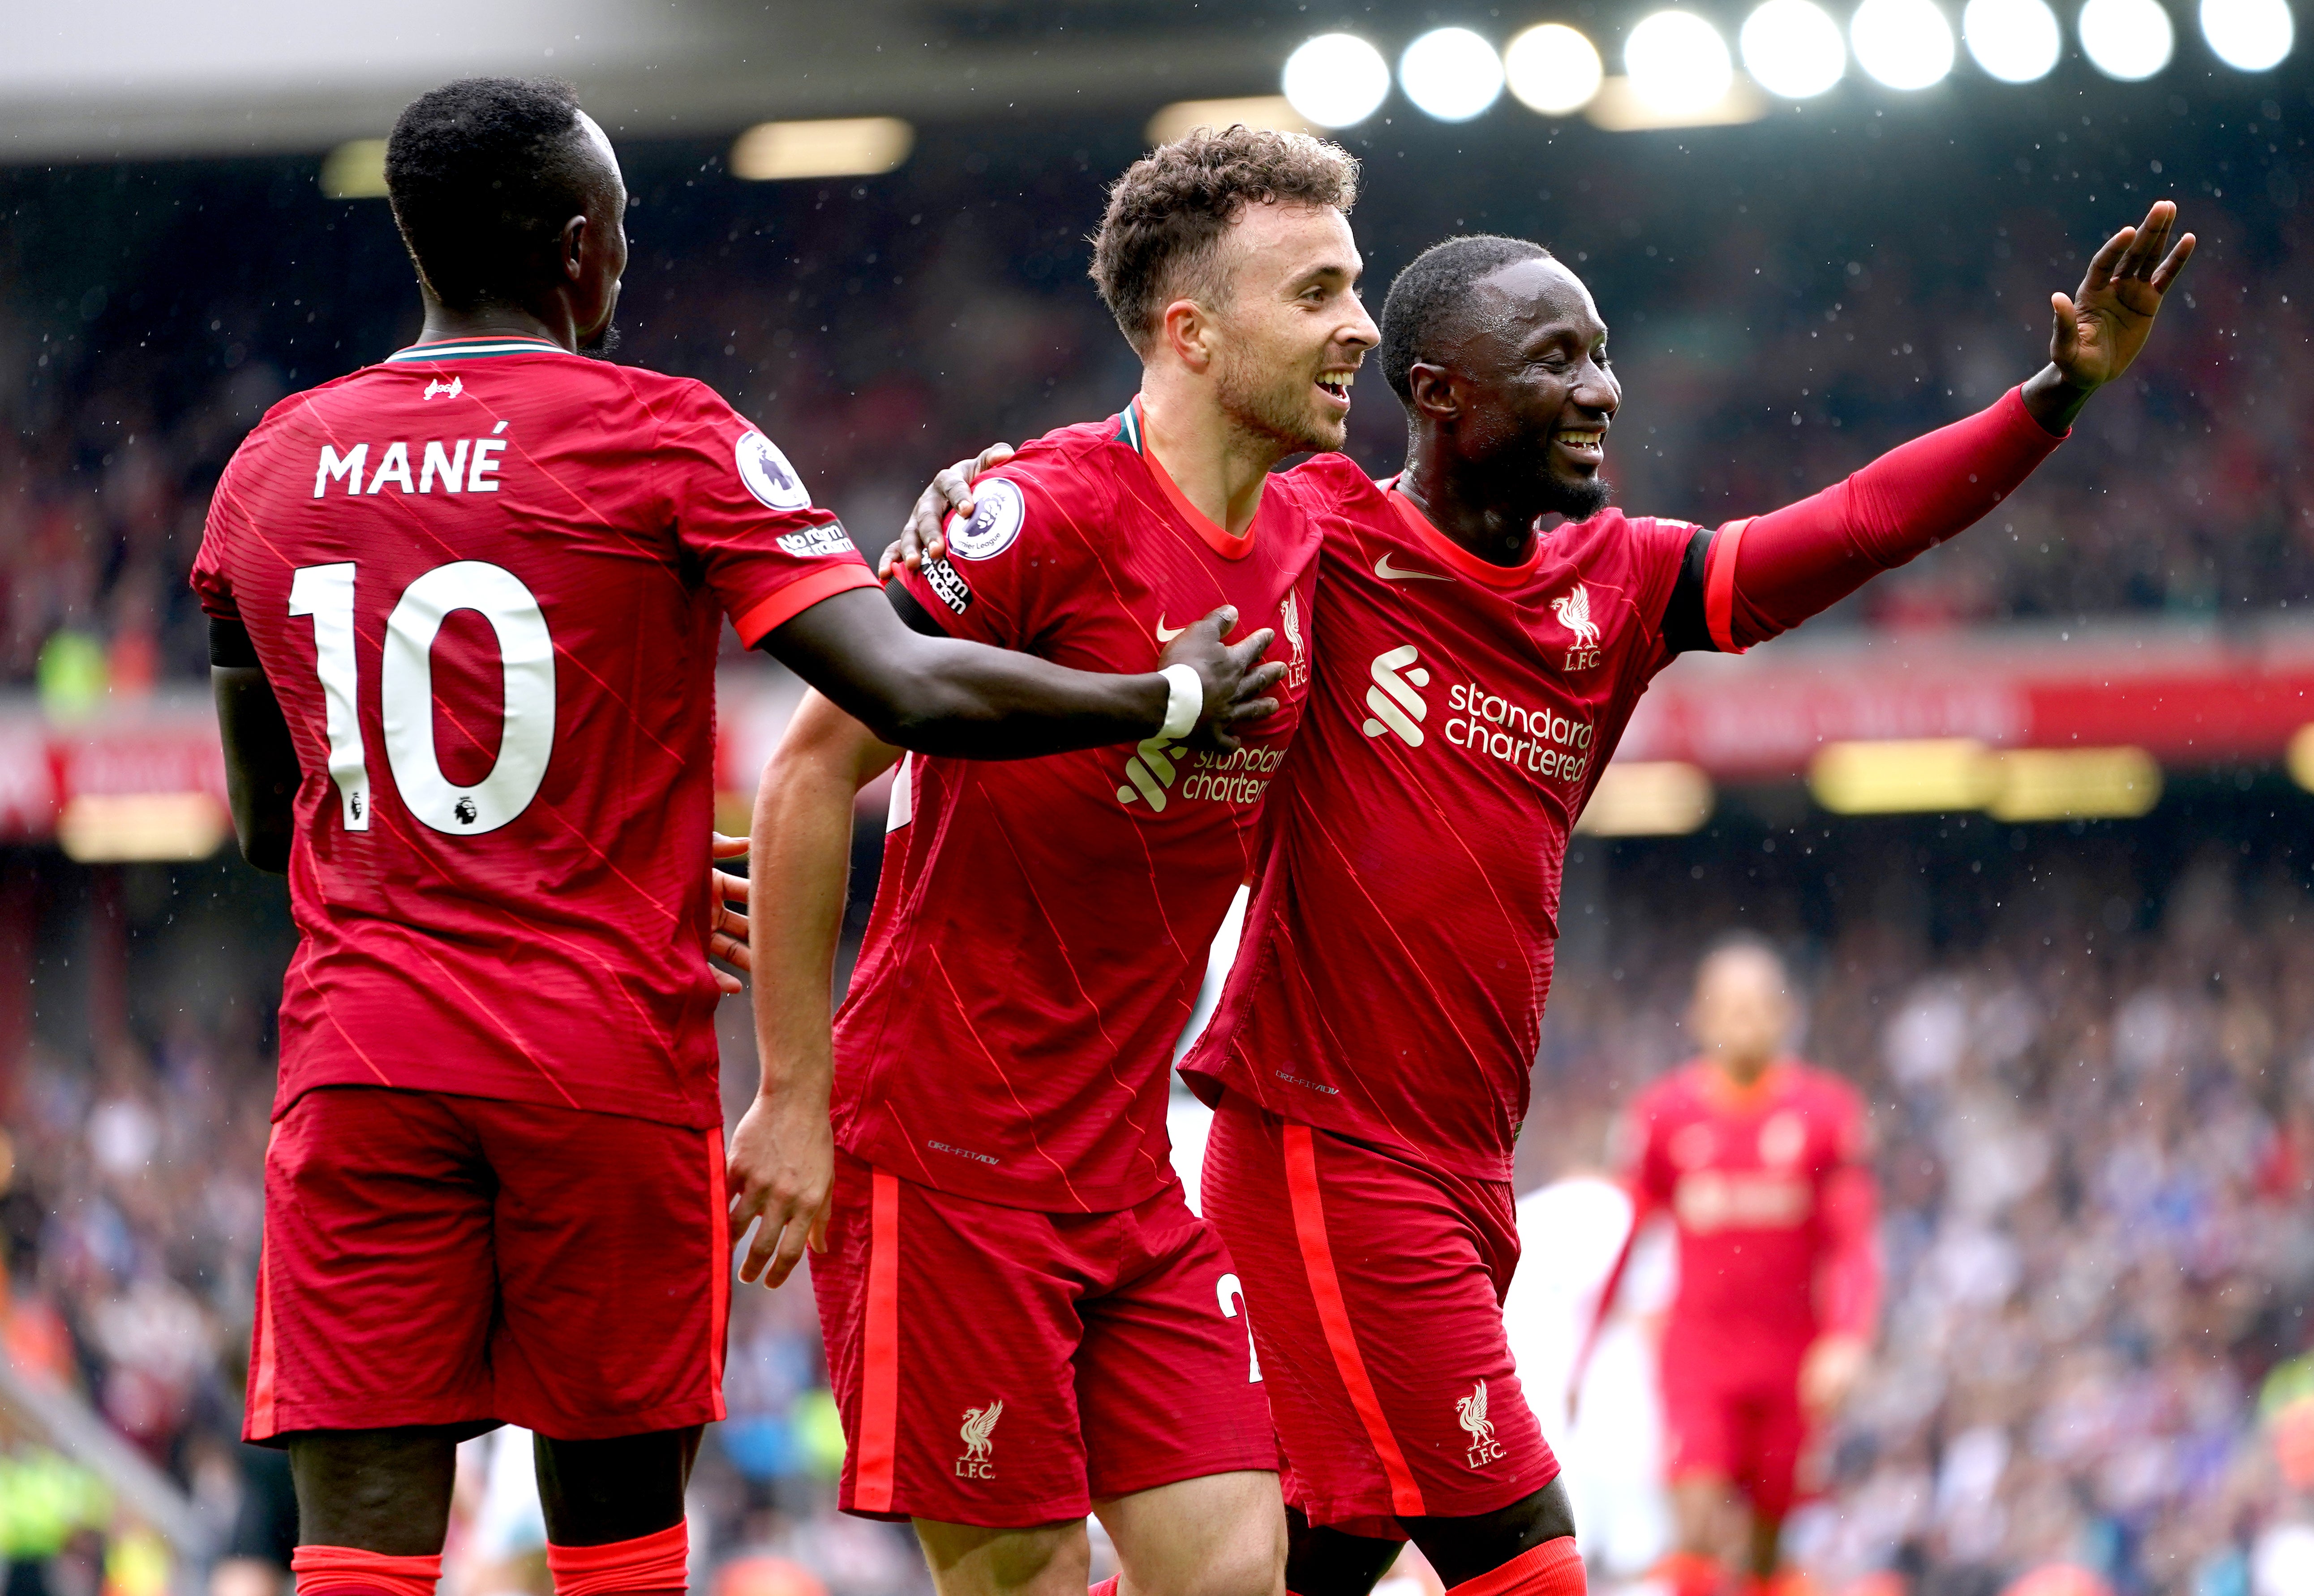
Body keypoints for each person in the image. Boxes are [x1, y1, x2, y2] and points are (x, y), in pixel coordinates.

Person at [894, 202, 2193, 1596]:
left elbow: (1854, 527)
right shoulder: (1316, 531)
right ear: (1439, 393)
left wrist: (2055, 394)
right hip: (1327, 1147)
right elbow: (1144, 479)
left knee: (1308, 1565)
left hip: (1462, 1168)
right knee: (1529, 1559)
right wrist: (986, 497)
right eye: (1559, 360)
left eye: (1605, 355)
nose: (1603, 390)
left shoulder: (1620, 579)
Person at [190, 77, 1276, 1596]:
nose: (623, 266)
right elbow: (898, 680)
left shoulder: (272, 464)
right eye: (621, 233)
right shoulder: (659, 434)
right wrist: (1159, 696)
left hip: (362, 1059)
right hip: (595, 1065)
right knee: (615, 1549)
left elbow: (265, 819)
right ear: (578, 245)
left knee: (359, 1543)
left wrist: (457, 872)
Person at [738, 127, 1395, 1596]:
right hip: (940, 1159)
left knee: (1240, 1566)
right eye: (1318, 292)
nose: (1361, 325)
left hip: (1123, 1174)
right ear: (1191, 330)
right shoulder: (1033, 516)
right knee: (1021, 1574)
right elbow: (805, 772)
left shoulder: (1316, 523)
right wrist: (790, 1093)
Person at [1576, 942, 1879, 1596]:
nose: (1743, 1023)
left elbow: (1854, 1244)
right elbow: (1628, 1239)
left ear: (1784, 1015)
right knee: (1699, 1527)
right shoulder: (1664, 1117)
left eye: (1757, 1008)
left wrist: (1848, 1340)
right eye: (1729, 1009)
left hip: (1790, 1365)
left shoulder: (1826, 1116)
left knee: (1766, 1556)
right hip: (1699, 1359)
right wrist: (1585, 1355)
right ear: (1702, 1018)